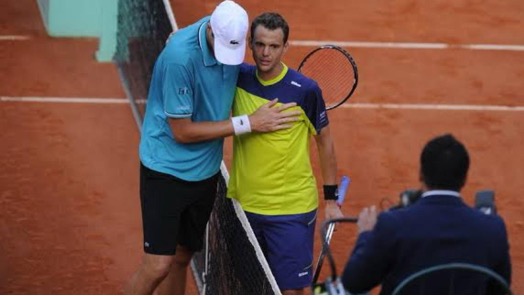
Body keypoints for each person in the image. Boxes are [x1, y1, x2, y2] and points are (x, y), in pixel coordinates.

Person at [124, 1, 301, 294]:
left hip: (205, 173)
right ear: (210, 30)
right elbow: (181, 131)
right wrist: (248, 123)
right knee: (158, 266)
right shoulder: (179, 58)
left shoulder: (228, 24)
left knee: (181, 257)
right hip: (166, 171)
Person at [227, 12, 343, 295]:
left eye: (274, 46)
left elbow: (325, 142)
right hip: (244, 206)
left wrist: (331, 200)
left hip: (291, 210)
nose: (265, 53)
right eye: (260, 44)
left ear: (286, 47)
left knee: (290, 291)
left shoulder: (305, 91)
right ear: (250, 44)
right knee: (244, 287)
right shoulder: (236, 77)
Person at [341, 134, 511, 294]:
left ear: (421, 174)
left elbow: (353, 282)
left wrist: (365, 234)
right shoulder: (493, 228)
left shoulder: (393, 225)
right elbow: (501, 289)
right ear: (464, 178)